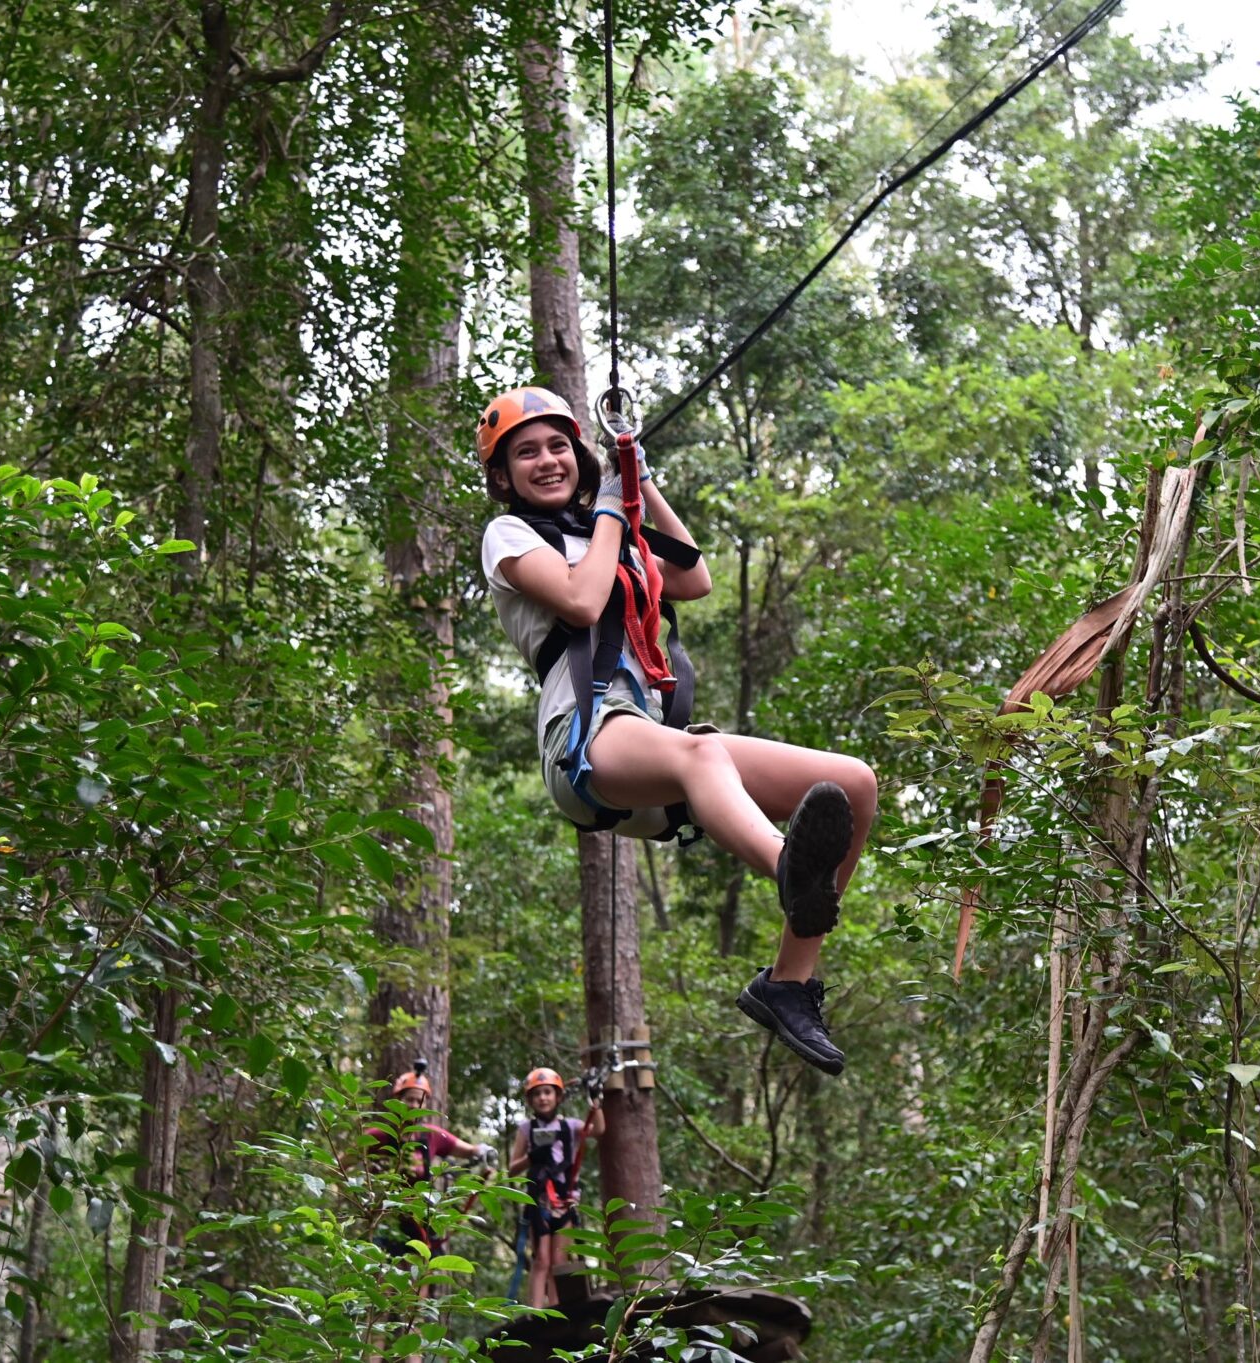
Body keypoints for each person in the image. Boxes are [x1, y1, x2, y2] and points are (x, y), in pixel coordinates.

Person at [477, 386, 879, 1074]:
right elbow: (581, 598)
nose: (546, 460)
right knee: (701, 751)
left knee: (853, 783)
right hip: (586, 735)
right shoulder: (509, 536)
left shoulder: (607, 529)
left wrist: (639, 479)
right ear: (502, 476)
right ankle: (786, 865)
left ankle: (788, 981)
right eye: (525, 452)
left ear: (578, 452)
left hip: (656, 745)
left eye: (557, 445)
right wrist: (610, 504)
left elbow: (693, 578)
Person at [363, 1065, 496, 1260]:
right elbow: (342, 1164)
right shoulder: (378, 1136)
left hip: (420, 1219)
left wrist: (484, 1151)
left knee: (423, 1270)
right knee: (384, 1276)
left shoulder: (431, 1136)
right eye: (410, 1099)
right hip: (386, 1219)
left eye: (420, 1100)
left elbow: (468, 1150)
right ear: (397, 1100)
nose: (415, 1105)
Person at [509, 1066, 603, 1311]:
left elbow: (599, 1131)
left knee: (559, 1260)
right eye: (537, 1094)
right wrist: (532, 1157)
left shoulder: (570, 1126)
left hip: (564, 1200)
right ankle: (536, 1311)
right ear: (530, 1100)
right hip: (538, 1201)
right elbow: (511, 1169)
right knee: (541, 1259)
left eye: (548, 1092)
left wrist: (596, 1102)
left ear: (558, 1096)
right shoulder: (526, 1129)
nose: (543, 1098)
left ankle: (556, 1309)